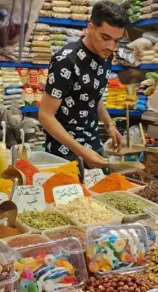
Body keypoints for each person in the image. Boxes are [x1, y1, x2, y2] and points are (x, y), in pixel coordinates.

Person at [39, 0, 129, 167]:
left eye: (117, 41)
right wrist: (82, 151)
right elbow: (45, 116)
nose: (111, 46)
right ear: (90, 28)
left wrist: (109, 125)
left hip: (93, 144)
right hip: (64, 152)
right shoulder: (66, 61)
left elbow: (92, 94)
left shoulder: (105, 55)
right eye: (105, 37)